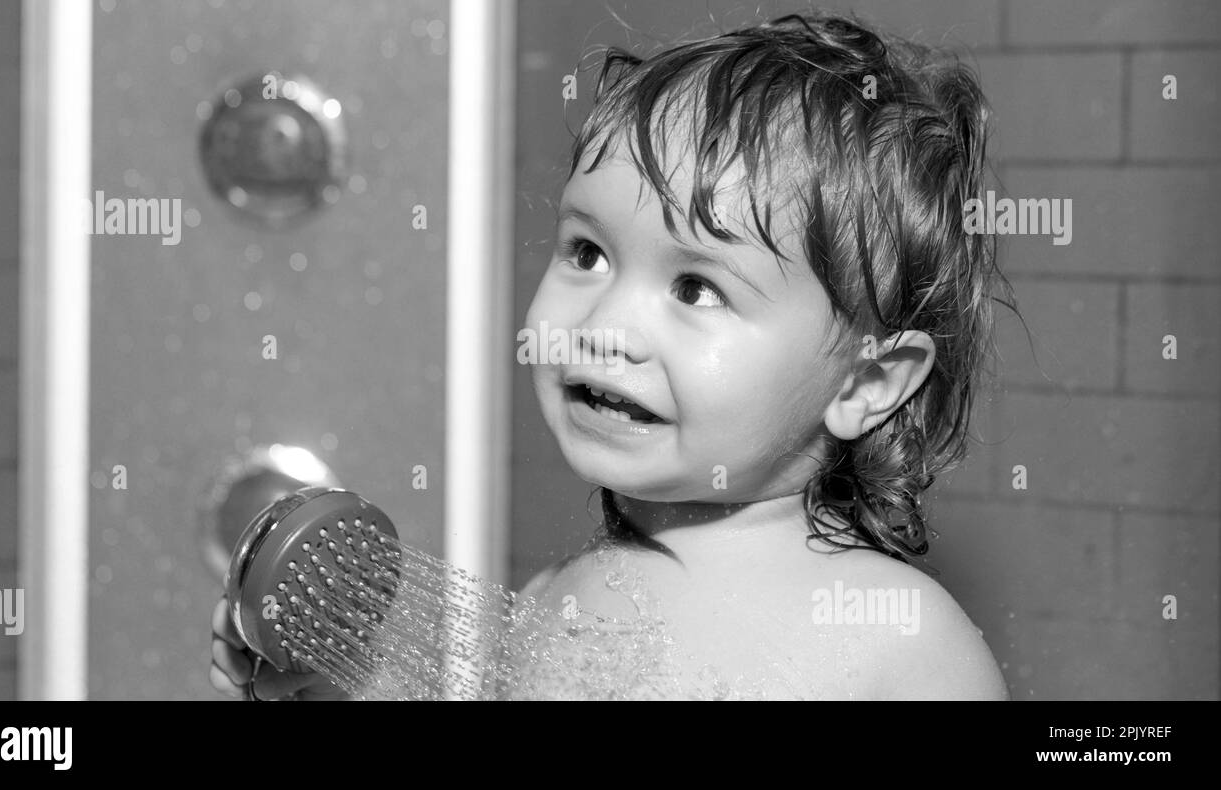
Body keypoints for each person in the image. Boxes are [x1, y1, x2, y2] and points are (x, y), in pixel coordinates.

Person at [213, 11, 1015, 700]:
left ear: (866, 380)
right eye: (588, 252)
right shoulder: (544, 606)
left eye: (697, 288)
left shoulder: (898, 646)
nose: (604, 324)